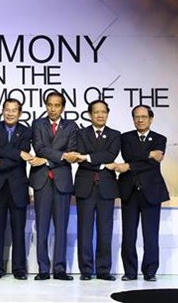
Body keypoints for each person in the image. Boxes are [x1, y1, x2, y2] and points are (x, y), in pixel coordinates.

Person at [30, 90, 79, 281]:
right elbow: (39, 148)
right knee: (42, 227)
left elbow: (72, 152)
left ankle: (59, 268)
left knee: (61, 227)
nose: (53, 109)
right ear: (45, 106)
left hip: (62, 181)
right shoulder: (38, 124)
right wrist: (60, 156)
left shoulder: (71, 126)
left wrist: (47, 160)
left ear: (63, 107)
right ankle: (43, 268)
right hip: (42, 181)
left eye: (57, 105)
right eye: (50, 105)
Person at [116, 105, 168, 282]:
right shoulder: (125, 138)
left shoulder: (160, 139)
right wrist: (148, 154)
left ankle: (150, 271)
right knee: (129, 235)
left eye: (144, 117)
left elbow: (154, 163)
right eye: (136, 117)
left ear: (151, 119)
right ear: (133, 119)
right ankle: (130, 272)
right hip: (129, 191)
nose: (140, 120)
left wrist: (130, 165)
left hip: (152, 192)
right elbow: (129, 154)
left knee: (151, 234)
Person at [73, 100, 120, 281]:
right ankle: (86, 270)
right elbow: (80, 155)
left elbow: (111, 155)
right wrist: (101, 164)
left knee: (105, 230)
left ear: (107, 114)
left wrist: (88, 157)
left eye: (103, 112)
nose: (100, 115)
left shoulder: (115, 135)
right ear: (89, 114)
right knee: (84, 230)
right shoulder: (80, 133)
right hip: (85, 187)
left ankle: (103, 270)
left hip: (106, 188)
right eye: (96, 112)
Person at [0, 98, 33, 280]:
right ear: (2, 111)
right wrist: (18, 153)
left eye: (14, 110)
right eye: (7, 109)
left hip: (18, 187)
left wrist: (1, 162)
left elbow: (19, 157)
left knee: (18, 231)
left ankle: (19, 269)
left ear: (19, 113)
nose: (10, 113)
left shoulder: (26, 131)